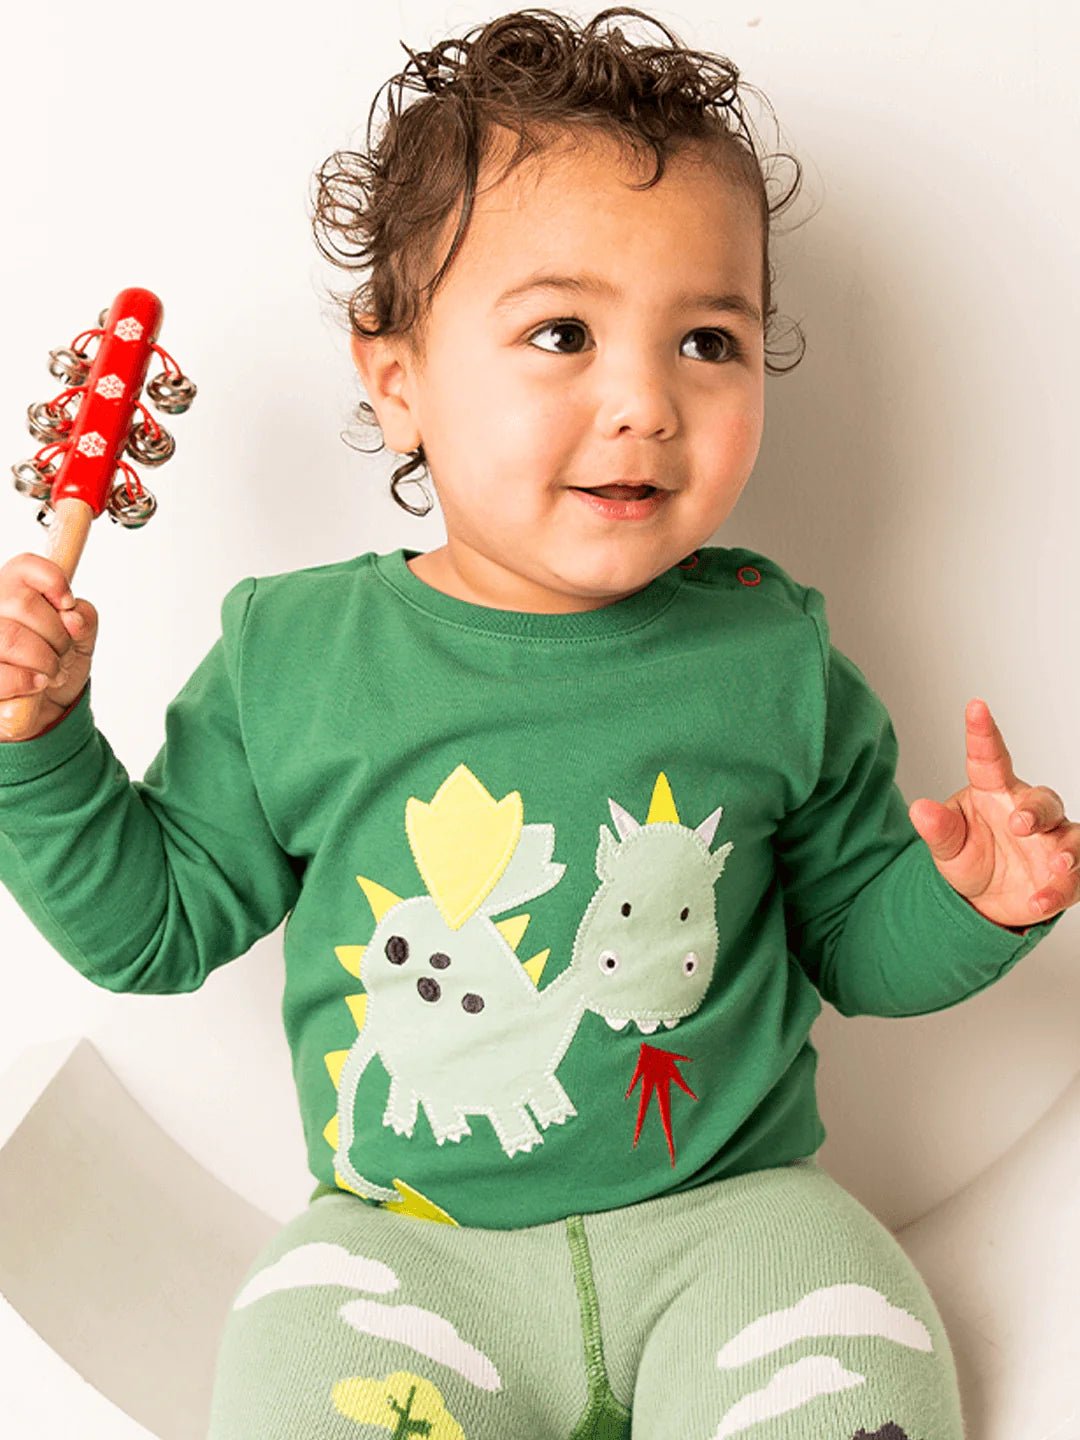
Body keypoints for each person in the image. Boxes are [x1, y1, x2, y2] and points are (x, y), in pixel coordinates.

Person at [0, 9, 1075, 1438]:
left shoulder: (772, 649)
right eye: (561, 332)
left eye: (709, 339)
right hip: (407, 1246)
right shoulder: (295, 652)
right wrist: (41, 751)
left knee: (866, 1361)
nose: (643, 401)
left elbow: (853, 947)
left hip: (734, 1224)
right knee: (282, 1368)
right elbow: (149, 929)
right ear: (399, 384)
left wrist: (973, 906)